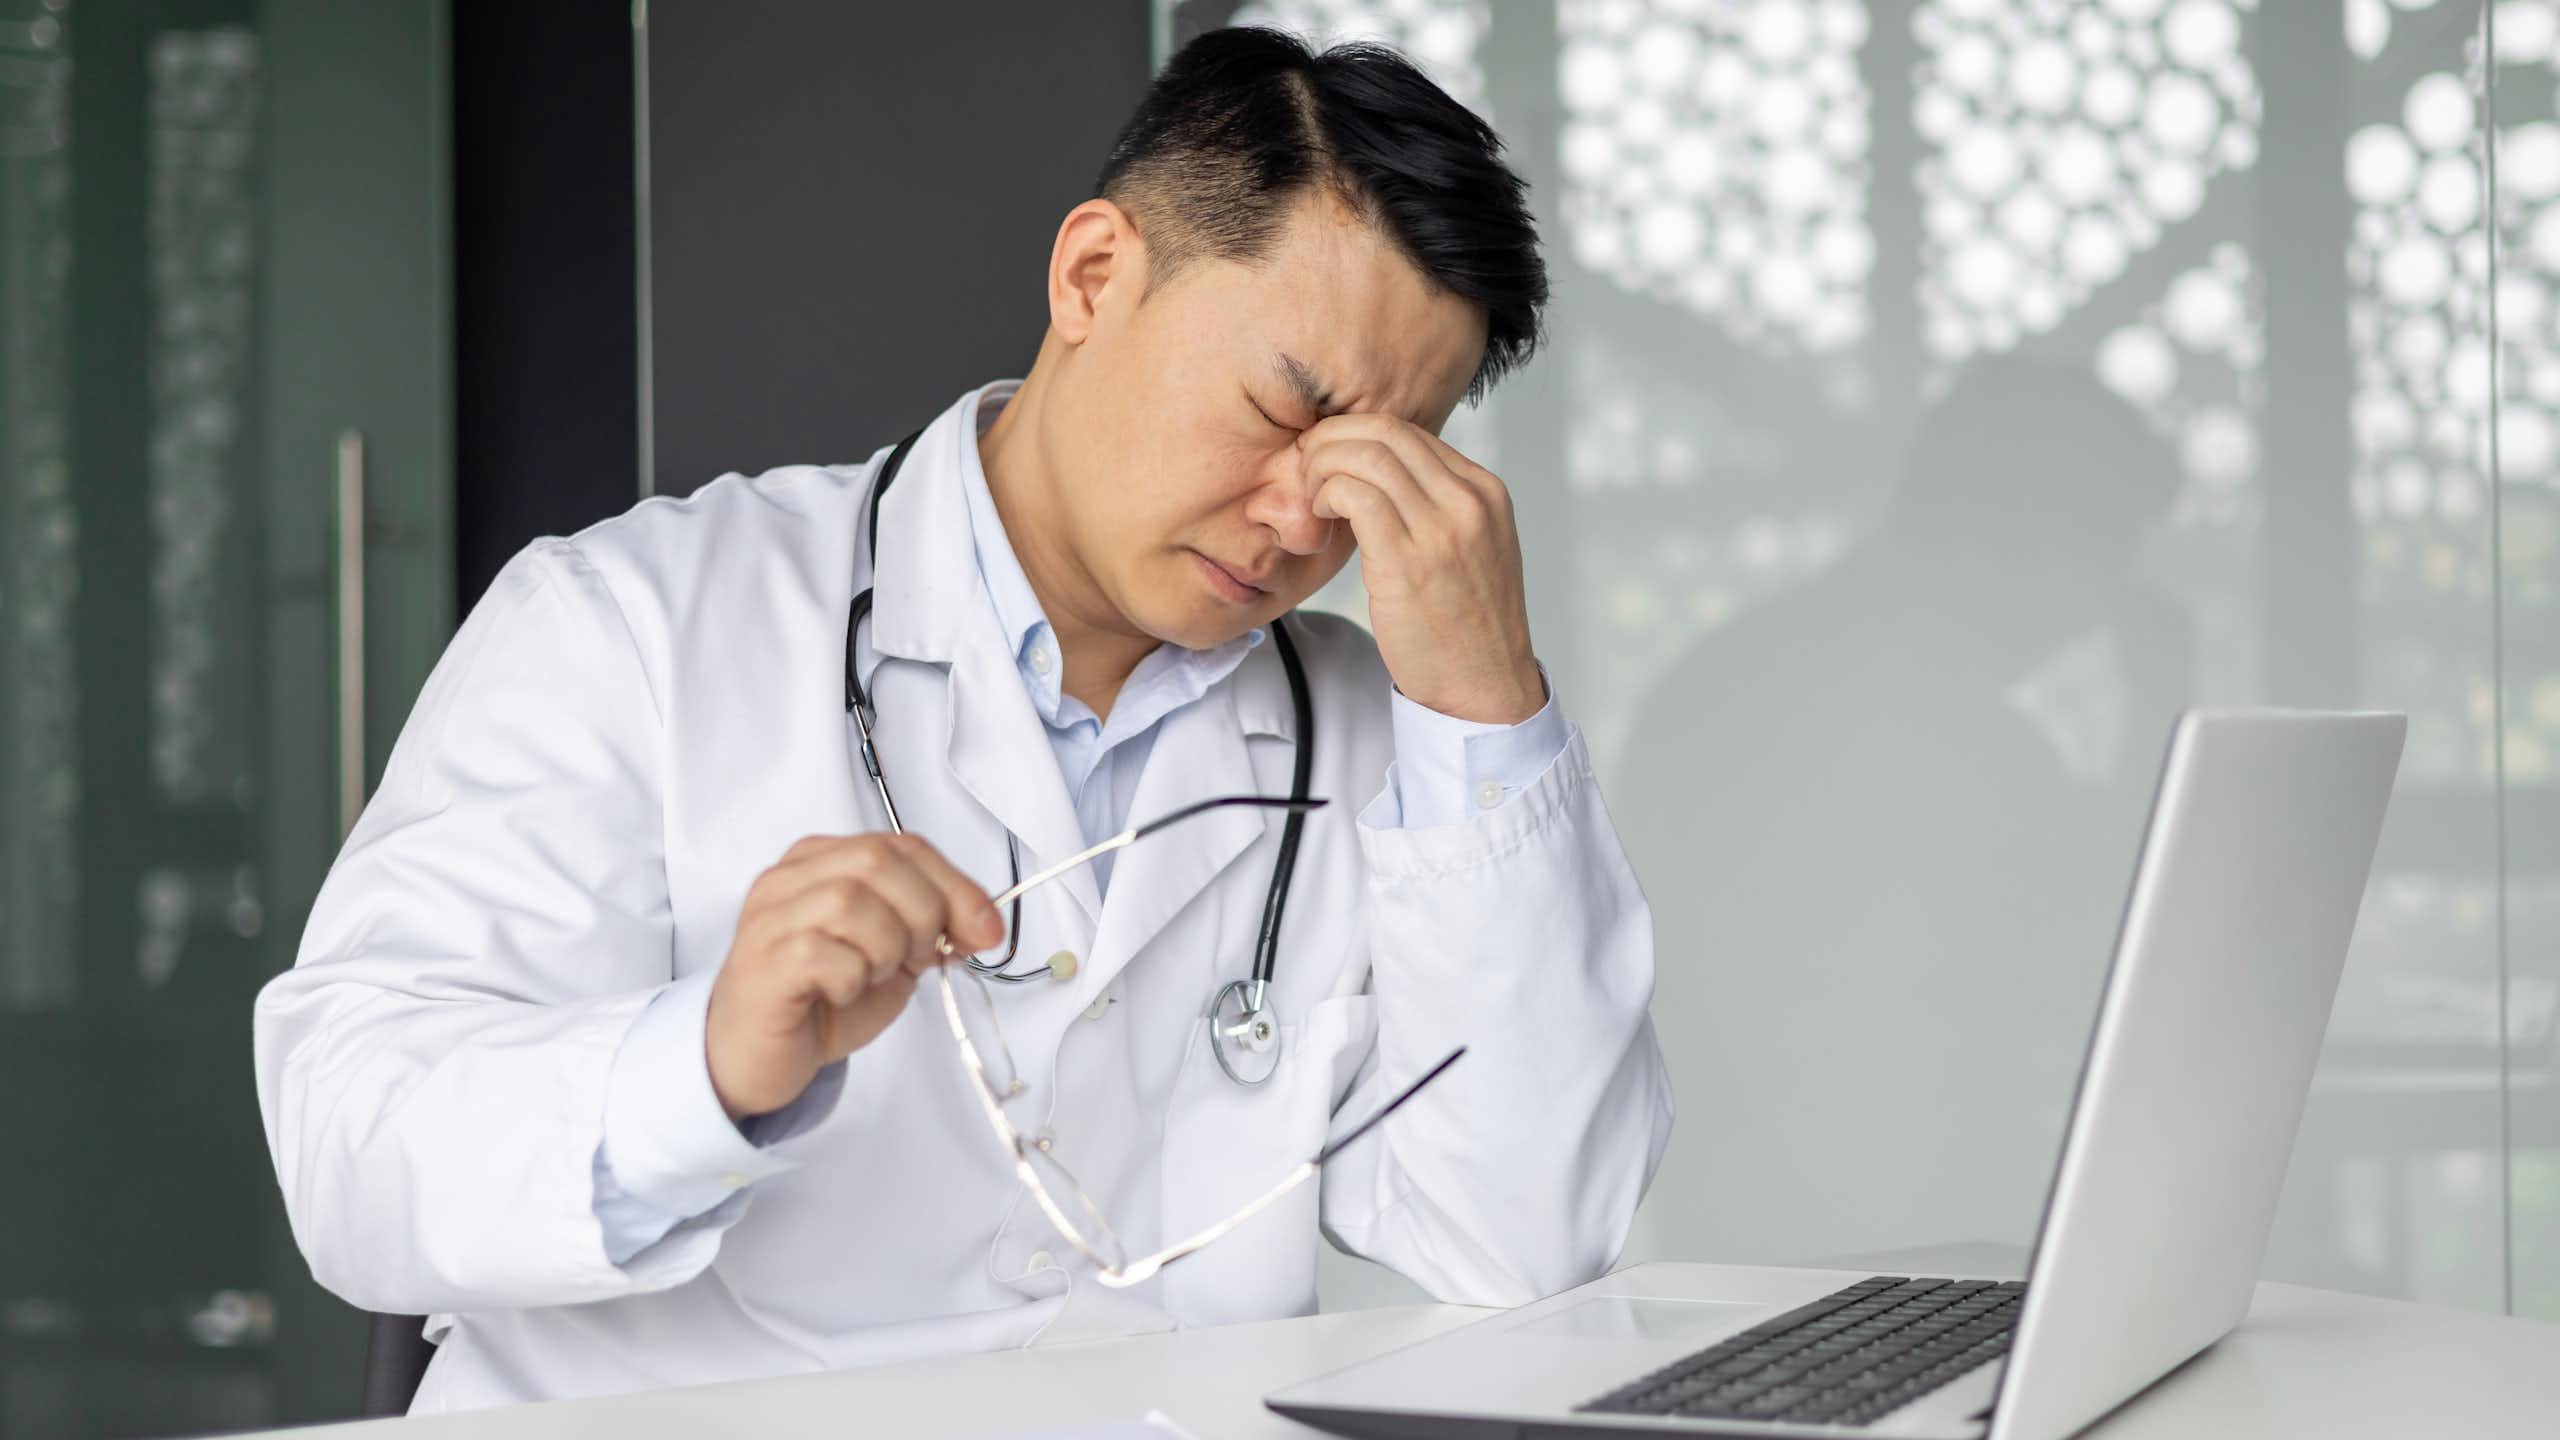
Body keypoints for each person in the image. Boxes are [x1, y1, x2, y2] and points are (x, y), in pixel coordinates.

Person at [252, 26, 1670, 1414]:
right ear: (1095, 274)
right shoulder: (633, 622)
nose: (1306, 518)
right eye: (1282, 412)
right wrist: (705, 1064)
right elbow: (350, 1144)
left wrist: (1491, 712)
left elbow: (1527, 1238)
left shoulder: (1373, 739)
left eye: (1381, 466)